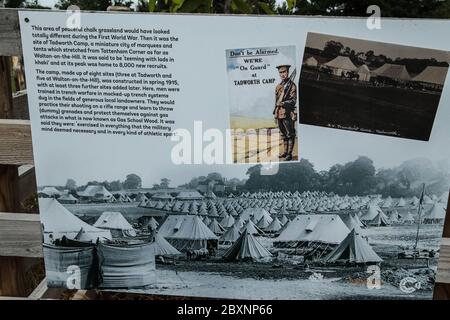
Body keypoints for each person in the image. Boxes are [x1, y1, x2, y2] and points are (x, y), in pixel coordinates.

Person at [273, 64, 297, 161]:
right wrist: (275, 112)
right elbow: (276, 101)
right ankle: (285, 152)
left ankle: (289, 154)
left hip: (287, 113)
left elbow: (293, 101)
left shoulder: (292, 86)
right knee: (283, 134)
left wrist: (283, 102)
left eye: (284, 72)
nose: (283, 74)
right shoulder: (278, 86)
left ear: (288, 72)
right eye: (281, 72)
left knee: (290, 134)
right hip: (279, 113)